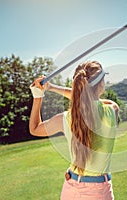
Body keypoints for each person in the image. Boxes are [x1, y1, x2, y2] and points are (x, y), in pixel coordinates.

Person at [29, 61, 119, 200]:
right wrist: (52, 87)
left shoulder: (66, 118)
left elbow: (34, 128)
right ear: (100, 84)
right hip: (99, 192)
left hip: (70, 189)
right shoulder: (112, 110)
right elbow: (87, 99)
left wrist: (38, 95)